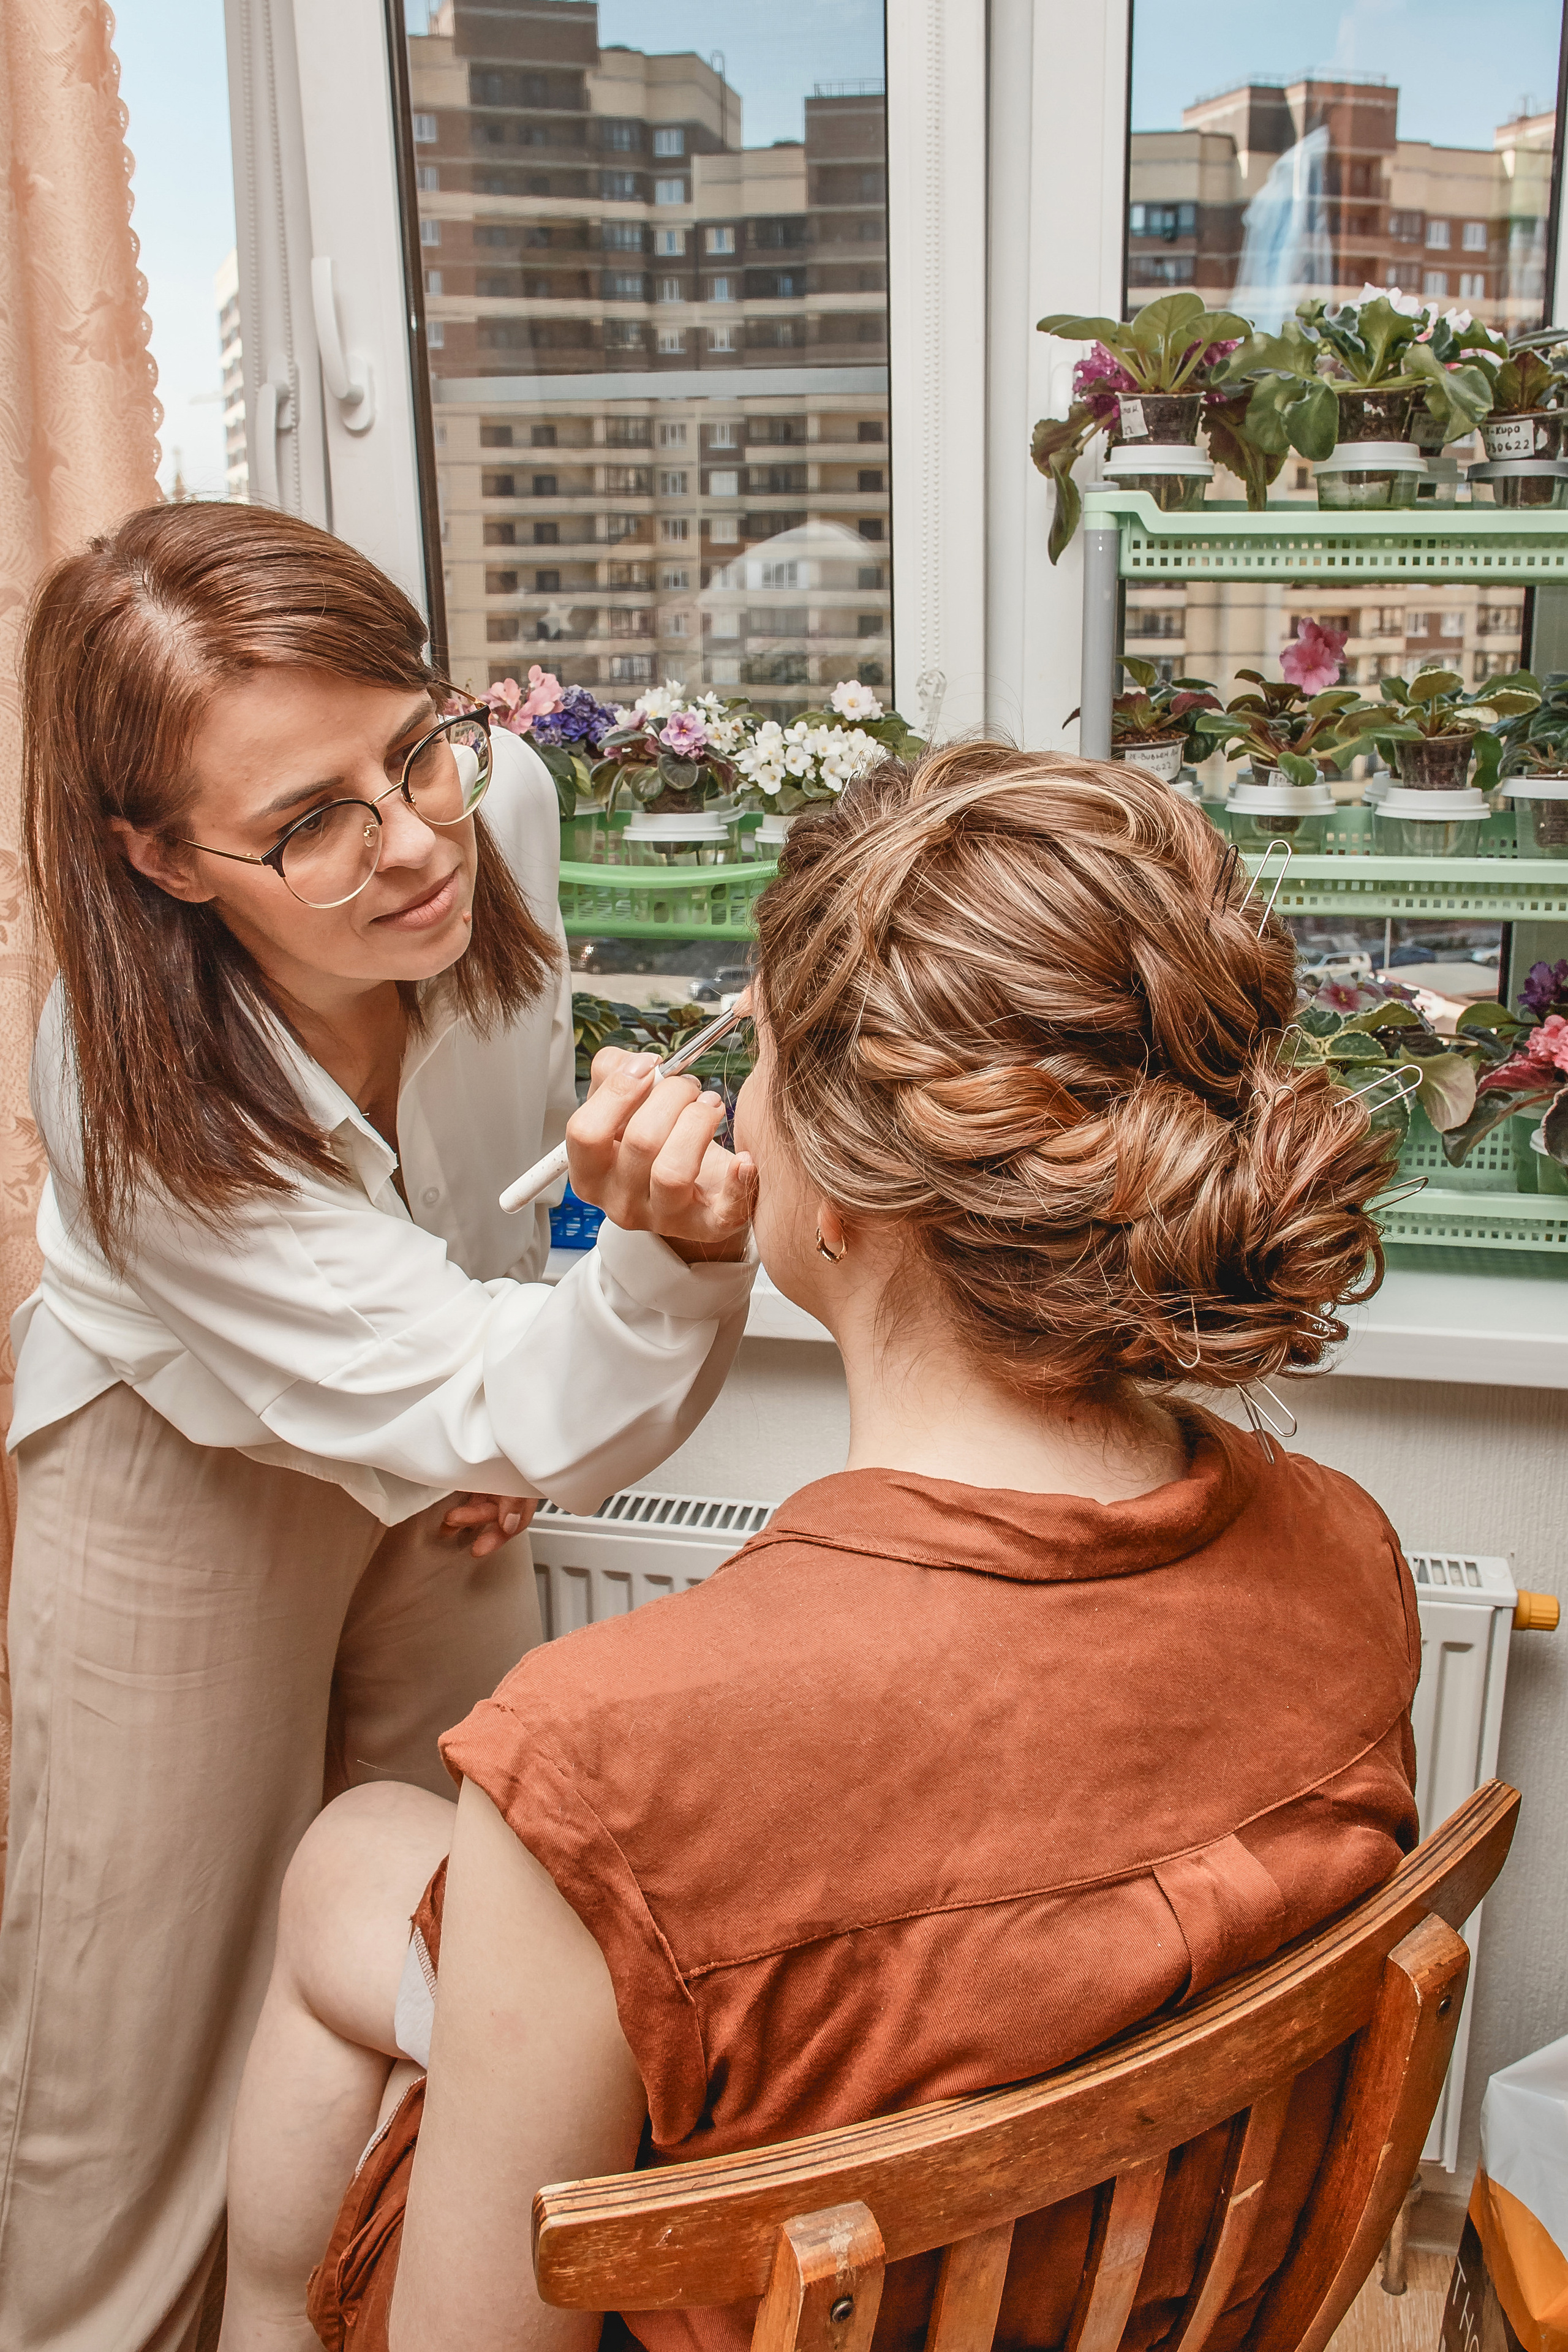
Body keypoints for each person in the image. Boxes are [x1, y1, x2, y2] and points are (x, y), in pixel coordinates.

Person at [216, 743, 1422, 2352]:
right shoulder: (1347, 1551)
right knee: (357, 1855)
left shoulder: (607, 1755)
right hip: (1127, 2289)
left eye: (766, 1061)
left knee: (386, 1934)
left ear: (844, 1194)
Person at [0, 503, 758, 2351]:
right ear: (160, 858)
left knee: (445, 1953)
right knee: (139, 2029)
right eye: (310, 823)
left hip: (443, 1420)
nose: (416, 840)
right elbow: (488, 1385)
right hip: (177, 1463)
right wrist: (518, 1378)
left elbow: (499, 1170)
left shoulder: (497, 806)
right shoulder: (130, 1089)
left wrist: (489, 1399)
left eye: (417, 747)